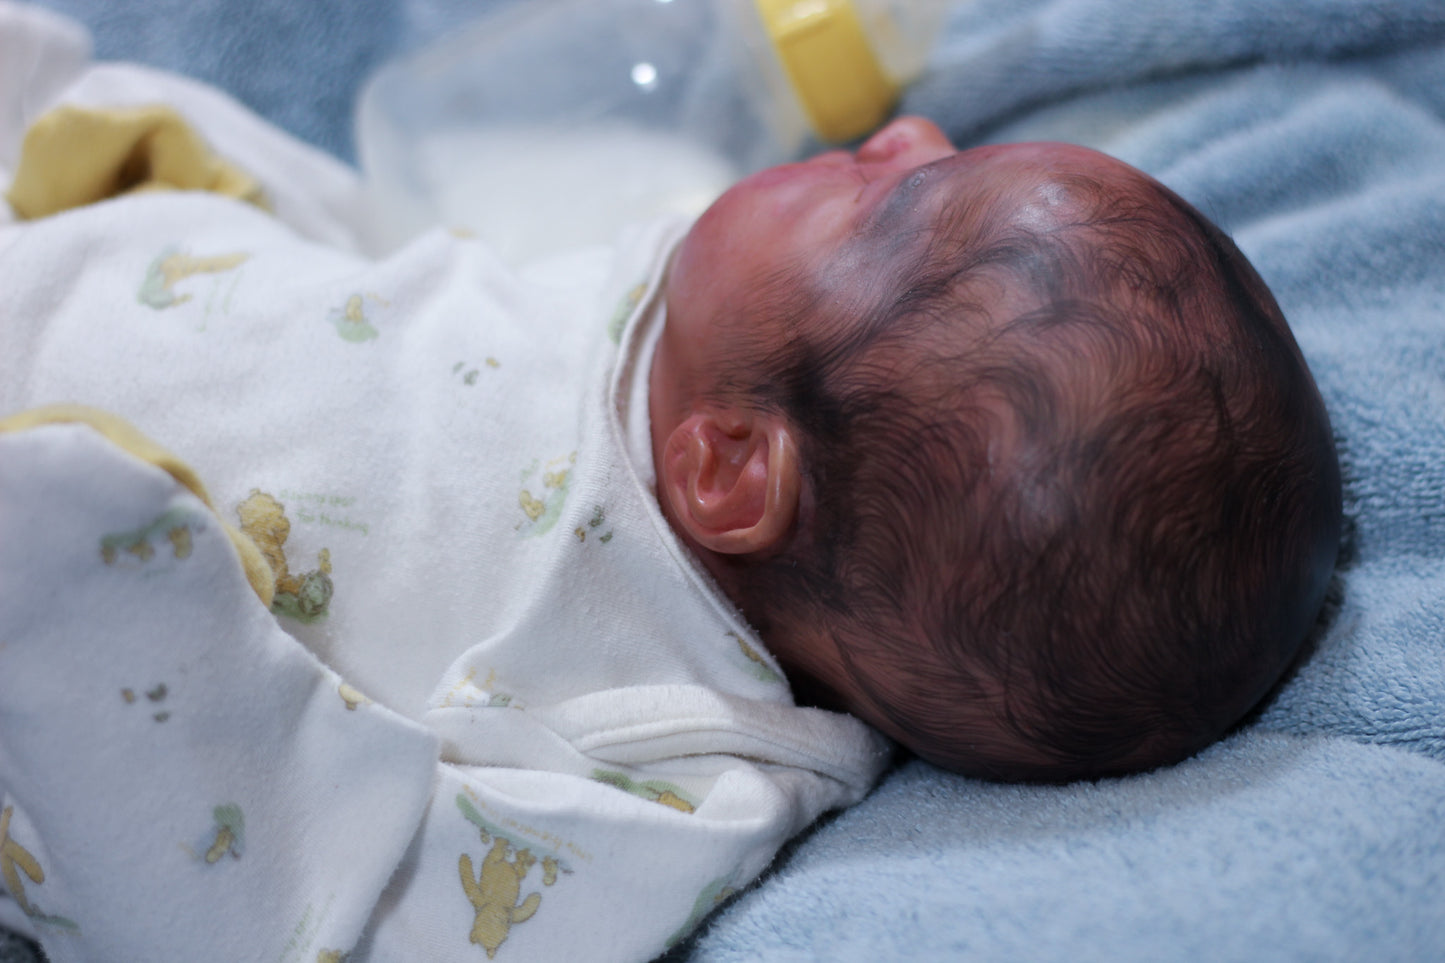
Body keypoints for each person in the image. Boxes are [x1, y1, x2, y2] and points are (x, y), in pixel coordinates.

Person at [0, 13, 1339, 960]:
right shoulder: (701, 314)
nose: (909, 130)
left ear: (731, 469)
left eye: (888, 205)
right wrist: (224, 192)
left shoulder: (683, 763)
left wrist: (120, 606)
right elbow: (401, 289)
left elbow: (328, 903)